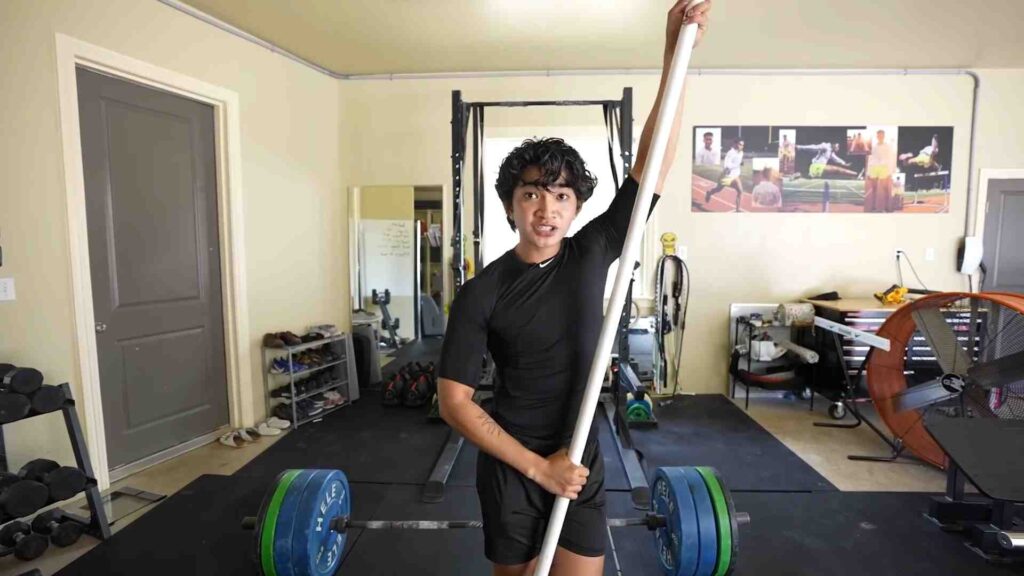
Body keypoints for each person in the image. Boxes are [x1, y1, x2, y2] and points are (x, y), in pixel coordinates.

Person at [436, 2, 711, 575]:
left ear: (576, 207)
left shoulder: (590, 253)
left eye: (561, 197)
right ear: (512, 206)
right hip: (513, 469)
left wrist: (673, 55)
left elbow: (652, 164)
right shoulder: (482, 292)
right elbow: (454, 402)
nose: (547, 208)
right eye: (533, 194)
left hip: (581, 454)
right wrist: (539, 469)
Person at [864, 129, 896, 212]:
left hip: (884, 168)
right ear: (877, 136)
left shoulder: (888, 146)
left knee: (885, 188)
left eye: (881, 135)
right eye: (879, 135)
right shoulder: (874, 147)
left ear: (884, 136)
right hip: (875, 168)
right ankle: (874, 207)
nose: (880, 137)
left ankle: (886, 208)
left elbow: (891, 158)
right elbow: (871, 158)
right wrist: (868, 171)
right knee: (874, 188)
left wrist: (891, 170)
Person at [704, 138, 744, 206]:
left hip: (735, 176)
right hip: (727, 176)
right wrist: (734, 165)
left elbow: (738, 160)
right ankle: (709, 193)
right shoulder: (730, 153)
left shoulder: (741, 153)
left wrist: (740, 162)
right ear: (735, 144)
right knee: (717, 190)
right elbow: (726, 165)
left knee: (740, 191)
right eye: (740, 144)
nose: (741, 146)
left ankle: (737, 210)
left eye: (743, 145)